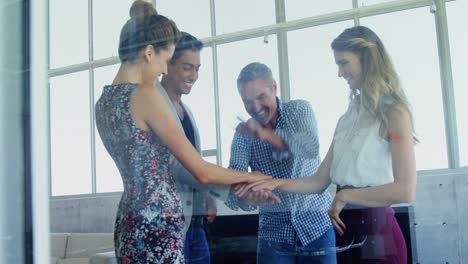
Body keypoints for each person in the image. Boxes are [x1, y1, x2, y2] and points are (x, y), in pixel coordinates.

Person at [94, 1, 270, 263]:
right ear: (150, 52)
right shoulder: (146, 94)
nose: (165, 69)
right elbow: (199, 169)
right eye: (166, 60)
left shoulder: (104, 102)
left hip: (129, 221)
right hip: (159, 223)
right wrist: (252, 176)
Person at [239, 26, 417, 263]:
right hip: (345, 235)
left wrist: (344, 197)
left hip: (378, 236)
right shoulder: (347, 119)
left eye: (344, 63)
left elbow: (405, 190)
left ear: (366, 59)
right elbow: (319, 180)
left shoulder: (394, 112)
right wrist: (273, 183)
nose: (340, 72)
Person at [226, 62, 337, 263]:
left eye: (261, 97)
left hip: (317, 229)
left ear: (274, 88)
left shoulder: (299, 109)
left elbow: (310, 147)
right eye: (248, 101)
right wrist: (248, 198)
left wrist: (265, 135)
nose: (256, 108)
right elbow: (234, 186)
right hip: (273, 238)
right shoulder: (243, 135)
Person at [159, 31, 228, 264]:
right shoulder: (155, 107)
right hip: (169, 225)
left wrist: (205, 194)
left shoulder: (186, 111)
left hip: (194, 224)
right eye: (188, 67)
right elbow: (179, 167)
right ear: (166, 64)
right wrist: (241, 181)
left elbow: (193, 159)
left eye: (198, 68)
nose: (194, 75)